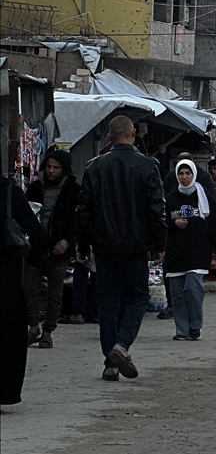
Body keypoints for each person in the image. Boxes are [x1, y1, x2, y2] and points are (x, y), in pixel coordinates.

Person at [76, 115, 167, 381]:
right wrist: (159, 244)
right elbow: (156, 210)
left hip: (104, 246)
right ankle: (121, 346)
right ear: (133, 133)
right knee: (138, 298)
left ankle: (110, 365)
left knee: (107, 303)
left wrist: (82, 244)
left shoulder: (95, 166)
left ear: (109, 136)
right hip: (136, 246)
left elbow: (84, 211)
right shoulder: (148, 165)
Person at [24, 149, 79, 349]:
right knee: (27, 287)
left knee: (55, 293)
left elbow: (77, 219)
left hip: (59, 247)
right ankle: (33, 326)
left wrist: (67, 241)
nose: (51, 171)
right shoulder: (35, 188)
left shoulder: (73, 190)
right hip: (36, 247)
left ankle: (47, 331)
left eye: (56, 167)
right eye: (49, 166)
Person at [164, 160, 216, 341]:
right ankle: (182, 331)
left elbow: (215, 224)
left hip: (198, 251)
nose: (184, 177)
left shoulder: (204, 197)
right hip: (175, 253)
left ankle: (195, 326)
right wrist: (174, 223)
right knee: (177, 294)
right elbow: (161, 223)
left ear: (194, 175)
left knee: (192, 289)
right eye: (181, 173)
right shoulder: (171, 198)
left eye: (187, 173)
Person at [1, 175, 48, 405]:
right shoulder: (9, 192)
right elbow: (37, 235)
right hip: (6, 279)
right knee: (8, 333)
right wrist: (33, 261)